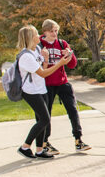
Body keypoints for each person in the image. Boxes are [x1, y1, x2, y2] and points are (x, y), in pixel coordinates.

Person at [15, 25, 72, 159]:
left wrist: (46, 59)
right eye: (36, 34)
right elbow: (42, 73)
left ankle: (39, 150)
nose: (38, 36)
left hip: (40, 89)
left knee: (42, 119)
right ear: (30, 37)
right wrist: (60, 63)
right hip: (30, 91)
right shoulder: (25, 56)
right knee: (45, 119)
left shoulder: (37, 50)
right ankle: (25, 147)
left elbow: (42, 69)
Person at [39, 19, 90, 154]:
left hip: (62, 82)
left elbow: (72, 65)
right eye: (51, 31)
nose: (54, 34)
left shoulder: (62, 44)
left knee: (73, 110)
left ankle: (78, 140)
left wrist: (69, 54)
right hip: (46, 84)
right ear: (45, 32)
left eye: (56, 31)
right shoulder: (39, 44)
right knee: (46, 114)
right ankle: (45, 142)